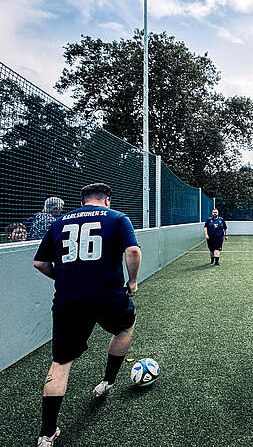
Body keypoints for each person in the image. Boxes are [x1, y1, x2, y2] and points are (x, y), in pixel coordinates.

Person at [33, 183, 141, 446]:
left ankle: (46, 435)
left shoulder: (59, 222)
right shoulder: (117, 218)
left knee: (60, 364)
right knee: (125, 327)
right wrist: (133, 282)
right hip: (109, 296)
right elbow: (133, 251)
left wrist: (65, 278)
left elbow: (40, 263)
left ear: (83, 201)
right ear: (106, 200)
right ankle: (107, 382)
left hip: (69, 300)